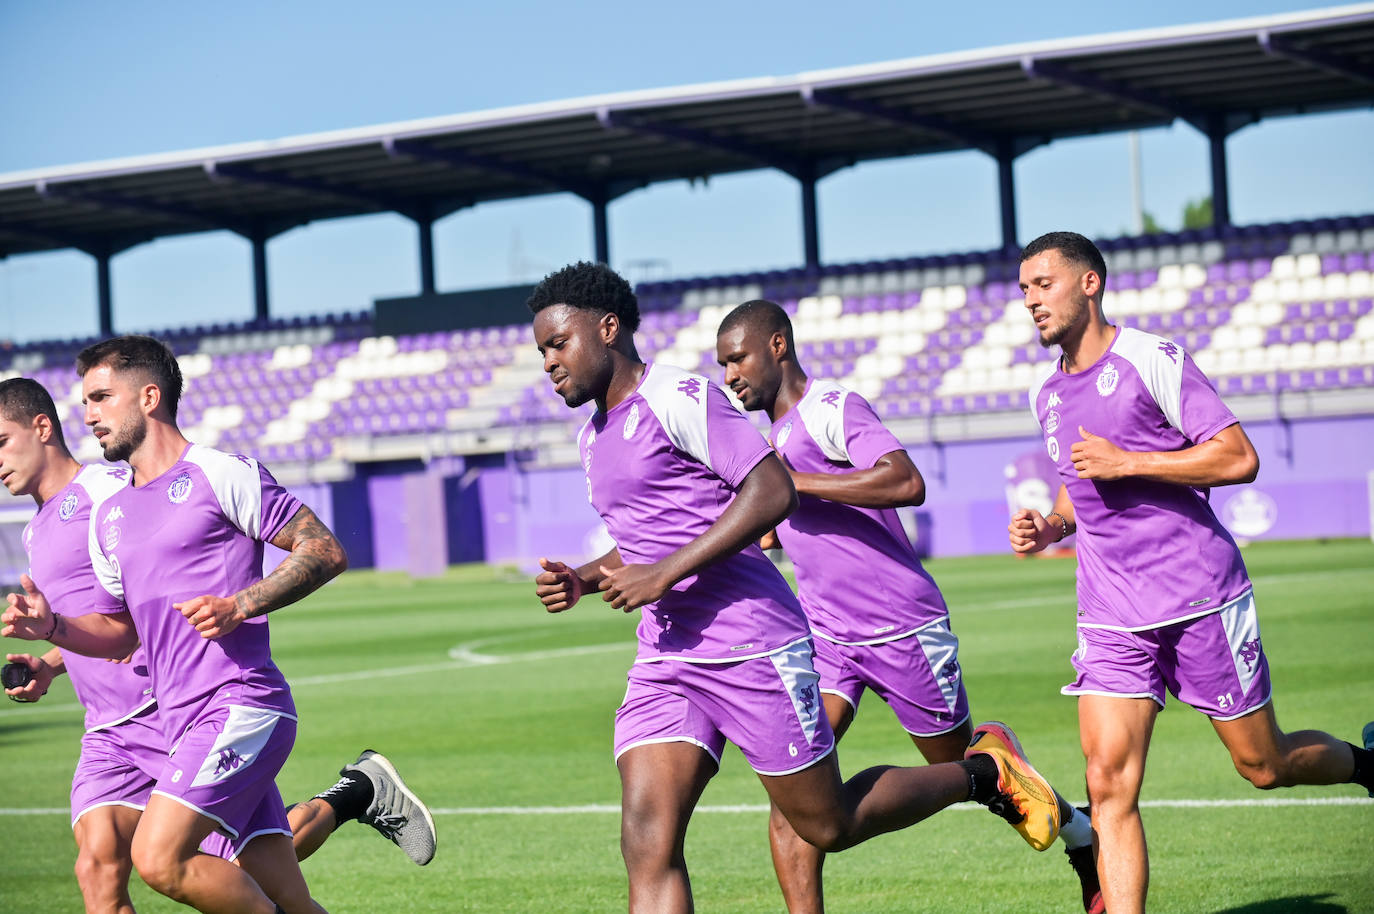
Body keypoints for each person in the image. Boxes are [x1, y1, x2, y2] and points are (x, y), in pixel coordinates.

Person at [528, 261, 1062, 914]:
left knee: (827, 824)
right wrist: (583, 579)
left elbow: (772, 487)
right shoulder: (592, 438)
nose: (549, 362)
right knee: (647, 839)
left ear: (607, 329)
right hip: (667, 657)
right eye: (541, 352)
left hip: (749, 642)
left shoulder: (680, 398)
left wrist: (663, 573)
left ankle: (984, 773)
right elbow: (647, 539)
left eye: (558, 344)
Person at [1006, 232, 1374, 914]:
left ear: (1089, 284)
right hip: (1111, 611)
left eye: (1043, 283)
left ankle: (1369, 764)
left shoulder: (1153, 359)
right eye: (1024, 288)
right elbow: (1076, 486)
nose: (1030, 299)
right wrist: (1052, 525)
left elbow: (1238, 457)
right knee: (1108, 784)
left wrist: (1132, 461)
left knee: (1264, 766)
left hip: (1198, 595)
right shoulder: (1046, 393)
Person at [714, 300, 1101, 914]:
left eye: (737, 358)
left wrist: (796, 484)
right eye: (721, 365)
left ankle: (1080, 834)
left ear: (778, 345)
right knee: (798, 795)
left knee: (968, 774)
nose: (729, 374)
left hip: (903, 628)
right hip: (829, 643)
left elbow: (904, 481)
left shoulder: (833, 409)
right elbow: (770, 529)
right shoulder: (772, 442)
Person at [0, 378, 435, 914]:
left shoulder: (112, 491)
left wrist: (236, 604)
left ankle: (349, 796)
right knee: (98, 868)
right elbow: (118, 617)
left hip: (162, 710)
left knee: (242, 872)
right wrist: (49, 656)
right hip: (106, 730)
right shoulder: (34, 530)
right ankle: (352, 795)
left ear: (41, 427)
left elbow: (147, 605)